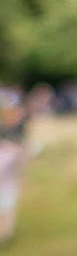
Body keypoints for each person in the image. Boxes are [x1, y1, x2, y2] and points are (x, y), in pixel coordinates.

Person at [0, 89, 29, 245]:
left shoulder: (18, 127)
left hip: (11, 163)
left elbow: (22, 147)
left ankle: (6, 233)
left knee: (8, 200)